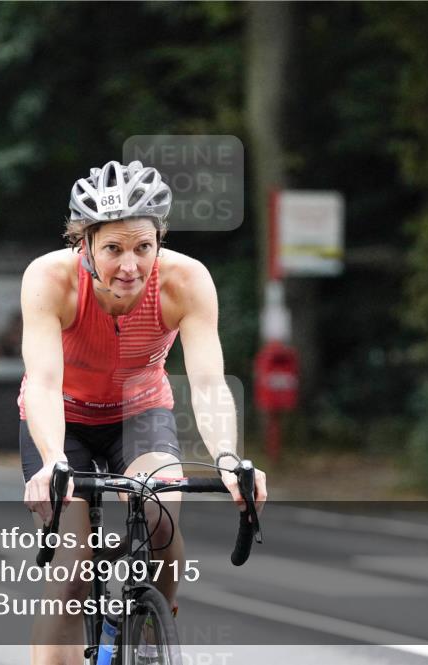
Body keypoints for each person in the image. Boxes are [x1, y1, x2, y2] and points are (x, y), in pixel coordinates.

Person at [18, 159, 268, 665]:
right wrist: (50, 463)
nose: (129, 266)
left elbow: (207, 381)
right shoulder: (49, 279)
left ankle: (155, 626)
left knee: (160, 515)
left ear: (160, 241)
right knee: (74, 567)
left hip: (140, 412)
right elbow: (43, 383)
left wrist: (225, 456)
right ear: (82, 244)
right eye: (113, 249)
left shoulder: (185, 281)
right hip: (63, 421)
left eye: (143, 247)